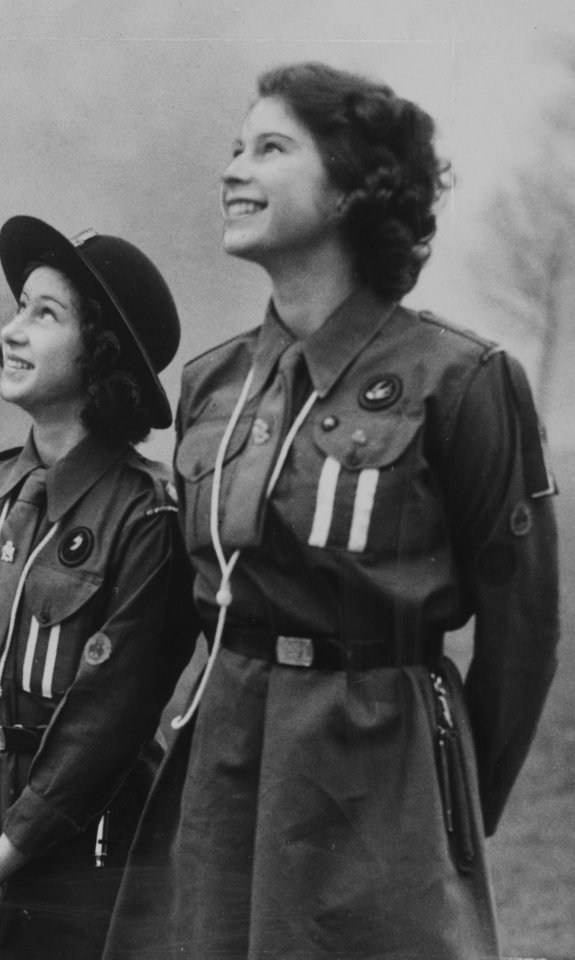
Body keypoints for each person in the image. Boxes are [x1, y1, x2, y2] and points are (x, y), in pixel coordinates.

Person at [102, 62, 560, 960]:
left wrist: (451, 801)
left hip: (376, 770)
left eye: (269, 149)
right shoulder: (213, 382)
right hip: (224, 765)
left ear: (355, 187)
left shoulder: (459, 380)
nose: (233, 169)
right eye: (235, 148)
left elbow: (523, 632)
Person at [0, 215, 198, 959]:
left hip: (89, 861)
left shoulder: (149, 515)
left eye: (44, 314)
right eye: (17, 309)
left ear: (102, 355)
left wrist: (4, 857)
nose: (12, 332)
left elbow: (111, 718)